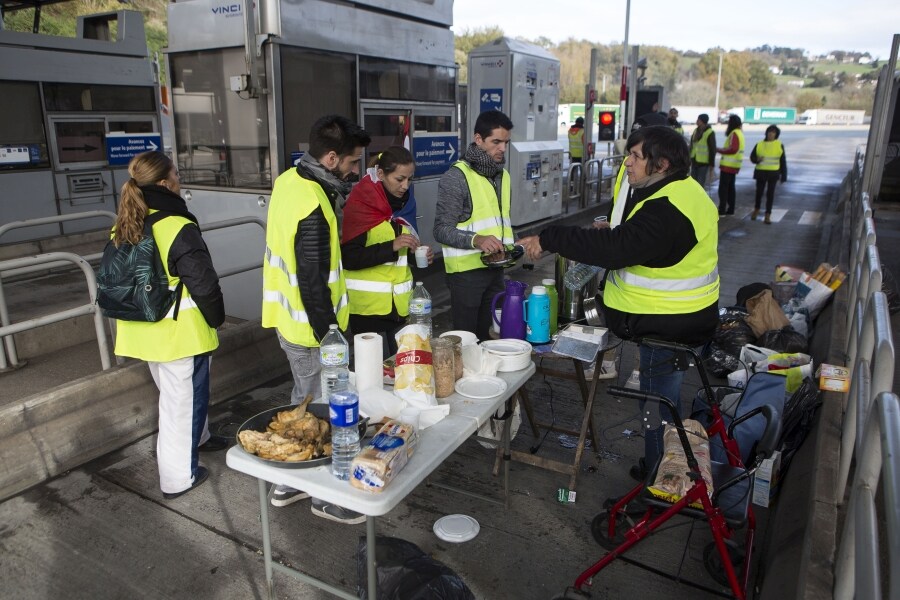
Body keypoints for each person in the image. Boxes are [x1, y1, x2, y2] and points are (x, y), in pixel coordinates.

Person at [516, 126, 719, 481]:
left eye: (636, 156)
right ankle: (663, 465)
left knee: (656, 404)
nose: (627, 163)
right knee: (657, 400)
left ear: (661, 163)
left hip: (670, 320)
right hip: (672, 318)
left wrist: (550, 238)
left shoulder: (669, 207)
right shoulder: (678, 191)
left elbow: (617, 248)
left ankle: (661, 475)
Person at [261, 114, 370, 523]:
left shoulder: (290, 181)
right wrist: (331, 334)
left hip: (290, 322)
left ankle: (288, 482)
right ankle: (321, 495)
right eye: (353, 162)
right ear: (330, 158)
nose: (357, 170)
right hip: (311, 330)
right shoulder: (312, 203)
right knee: (321, 411)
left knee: (303, 400)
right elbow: (311, 281)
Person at [111, 151, 226, 500]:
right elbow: (203, 284)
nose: (180, 179)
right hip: (180, 335)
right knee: (179, 406)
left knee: (182, 399)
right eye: (176, 173)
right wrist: (217, 317)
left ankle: (201, 437)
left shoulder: (125, 224)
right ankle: (178, 479)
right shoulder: (177, 225)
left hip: (143, 331)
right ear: (164, 183)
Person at [341, 146, 433, 356]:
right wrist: (391, 247)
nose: (405, 186)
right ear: (381, 174)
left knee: (406, 369)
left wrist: (415, 253)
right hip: (367, 311)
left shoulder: (406, 203)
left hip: (401, 307)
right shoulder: (360, 204)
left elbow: (404, 247)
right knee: (375, 376)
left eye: (410, 179)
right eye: (399, 179)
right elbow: (348, 257)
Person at [434, 110, 515, 341]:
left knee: (486, 337)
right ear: (478, 139)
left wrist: (512, 245)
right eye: (496, 142)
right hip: (466, 275)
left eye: (506, 142)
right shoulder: (456, 177)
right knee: (466, 341)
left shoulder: (503, 176)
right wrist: (476, 240)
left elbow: (501, 220)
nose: (502, 148)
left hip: (496, 269)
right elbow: (440, 229)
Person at [750, 125, 788, 224]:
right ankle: (756, 209)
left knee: (770, 194)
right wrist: (756, 160)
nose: (771, 134)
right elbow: (752, 157)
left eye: (773, 132)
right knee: (759, 193)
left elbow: (783, 161)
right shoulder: (759, 144)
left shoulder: (779, 145)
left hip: (773, 173)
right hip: (761, 172)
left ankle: (768, 215)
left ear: (776, 135)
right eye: (769, 132)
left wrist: (784, 175)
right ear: (766, 133)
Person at [715, 114, 745, 215]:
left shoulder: (734, 133)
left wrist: (719, 150)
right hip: (734, 165)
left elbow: (733, 149)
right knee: (731, 188)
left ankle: (722, 209)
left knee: (723, 189)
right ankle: (730, 208)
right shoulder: (740, 133)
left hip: (728, 166)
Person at [689, 113, 716, 187]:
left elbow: (712, 149)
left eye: (698, 120)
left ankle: (698, 197)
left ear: (702, 121)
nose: (696, 121)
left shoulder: (709, 132)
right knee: (693, 183)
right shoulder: (695, 131)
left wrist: (712, 164)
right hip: (694, 161)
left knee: (700, 183)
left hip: (703, 163)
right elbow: (692, 146)